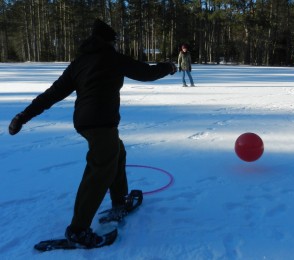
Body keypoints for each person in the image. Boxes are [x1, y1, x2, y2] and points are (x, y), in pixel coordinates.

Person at [8, 19, 176, 248]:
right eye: (114, 42)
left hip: (87, 122)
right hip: (101, 123)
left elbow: (52, 94)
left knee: (118, 151)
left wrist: (23, 116)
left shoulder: (79, 62)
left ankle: (119, 201)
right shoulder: (112, 58)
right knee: (100, 170)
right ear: (109, 41)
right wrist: (169, 66)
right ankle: (78, 230)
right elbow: (146, 73)